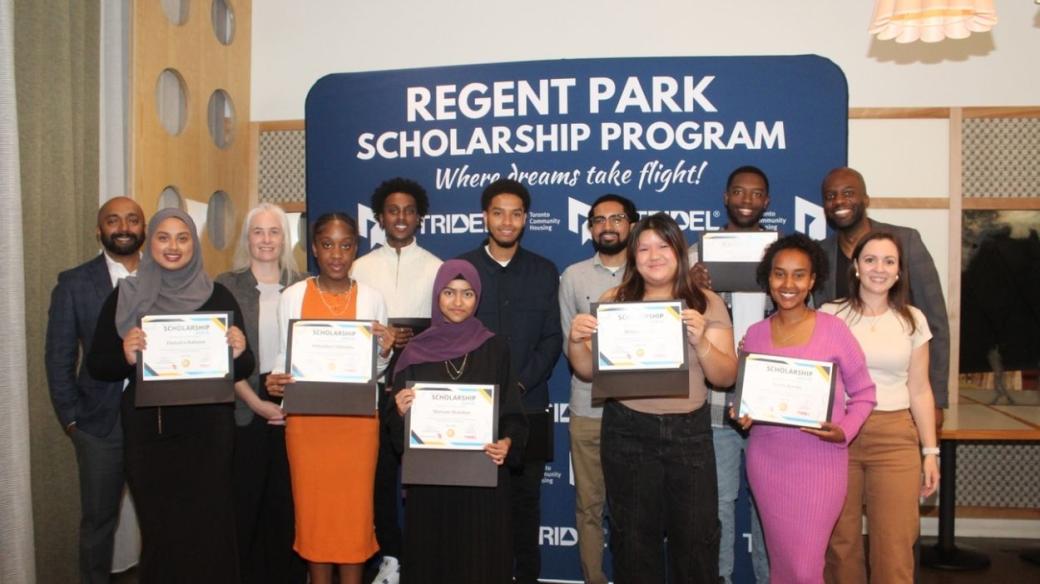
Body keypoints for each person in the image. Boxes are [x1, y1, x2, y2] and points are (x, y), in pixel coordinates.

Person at [567, 212, 737, 584]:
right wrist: (576, 341)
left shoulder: (705, 303)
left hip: (689, 434)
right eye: (643, 247)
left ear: (678, 251)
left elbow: (725, 376)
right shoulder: (615, 300)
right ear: (633, 255)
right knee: (632, 540)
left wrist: (701, 341)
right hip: (627, 431)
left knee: (695, 540)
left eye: (663, 245)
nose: (653, 255)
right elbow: (587, 370)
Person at [87, 208, 255, 583]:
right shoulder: (126, 296)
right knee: (161, 530)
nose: (173, 246)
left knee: (210, 527)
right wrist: (125, 354)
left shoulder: (218, 295)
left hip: (208, 433)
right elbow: (98, 366)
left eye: (183, 238)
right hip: (151, 434)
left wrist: (240, 350)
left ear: (193, 244)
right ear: (152, 242)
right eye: (164, 237)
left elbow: (244, 370)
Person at [734, 233, 876, 583]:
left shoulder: (834, 330)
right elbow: (746, 401)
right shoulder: (754, 334)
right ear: (768, 279)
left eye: (799, 275)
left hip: (820, 463)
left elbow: (865, 394)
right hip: (767, 463)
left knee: (805, 567)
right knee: (782, 565)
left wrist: (844, 430)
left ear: (812, 280)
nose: (788, 283)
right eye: (779, 273)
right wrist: (742, 413)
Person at [265, 212, 394, 584]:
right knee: (314, 516)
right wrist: (276, 381)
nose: (336, 254)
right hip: (308, 427)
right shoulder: (292, 297)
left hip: (356, 427)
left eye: (345, 245)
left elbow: (377, 371)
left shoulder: (372, 298)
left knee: (353, 517)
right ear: (314, 249)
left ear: (356, 248)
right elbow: (282, 358)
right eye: (327, 244)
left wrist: (384, 352)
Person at [390, 259, 529, 584]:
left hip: (481, 481)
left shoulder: (495, 347)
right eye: (449, 292)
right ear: (437, 296)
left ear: (477, 297)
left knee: (479, 564)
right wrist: (398, 411)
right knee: (431, 563)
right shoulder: (413, 352)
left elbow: (512, 412)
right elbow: (395, 432)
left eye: (467, 294)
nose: (457, 301)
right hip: (430, 484)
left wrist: (507, 442)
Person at [457, 178, 563, 584]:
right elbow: (451, 334)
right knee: (477, 507)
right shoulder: (462, 270)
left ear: (525, 219)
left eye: (516, 213)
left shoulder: (543, 271)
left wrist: (519, 384)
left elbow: (552, 338)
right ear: (485, 216)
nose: (507, 221)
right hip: (472, 409)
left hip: (529, 408)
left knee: (525, 505)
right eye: (498, 212)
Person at [822, 231, 940, 583]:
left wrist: (930, 451)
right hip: (839, 437)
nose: (879, 268)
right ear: (856, 266)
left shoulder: (912, 319)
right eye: (870, 259)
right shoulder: (830, 315)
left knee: (895, 545)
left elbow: (920, 390)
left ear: (899, 271)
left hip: (895, 437)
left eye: (889, 261)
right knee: (840, 544)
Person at [45, 196, 144, 584]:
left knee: (162, 519)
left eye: (132, 220)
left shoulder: (167, 276)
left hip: (156, 421)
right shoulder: (74, 283)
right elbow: (59, 358)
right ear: (99, 230)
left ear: (143, 229)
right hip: (98, 426)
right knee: (98, 524)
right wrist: (71, 419)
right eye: (113, 220)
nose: (123, 227)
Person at [350, 177, 442, 584]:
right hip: (375, 386)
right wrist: (385, 336)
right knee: (381, 477)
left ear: (419, 216)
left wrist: (415, 337)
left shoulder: (438, 267)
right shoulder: (360, 267)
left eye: (408, 210)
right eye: (392, 210)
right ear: (380, 217)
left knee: (425, 474)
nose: (401, 217)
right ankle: (389, 556)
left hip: (423, 387)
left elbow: (447, 327)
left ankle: (427, 555)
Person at [813, 167, 949, 437]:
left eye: (848, 193)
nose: (839, 201)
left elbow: (936, 324)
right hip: (843, 407)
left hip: (900, 403)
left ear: (866, 199)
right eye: (831, 196)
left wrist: (937, 400)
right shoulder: (821, 254)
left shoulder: (905, 242)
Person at [215, 203, 306, 583]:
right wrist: (256, 403)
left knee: (286, 506)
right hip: (244, 408)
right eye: (258, 231)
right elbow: (219, 358)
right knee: (245, 504)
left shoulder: (304, 284)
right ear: (247, 238)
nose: (266, 240)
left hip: (295, 408)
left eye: (274, 231)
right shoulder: (225, 285)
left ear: (284, 239)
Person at [691, 165, 772, 583]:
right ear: (725, 197)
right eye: (738, 191)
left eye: (755, 194)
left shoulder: (782, 257)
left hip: (771, 406)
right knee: (719, 505)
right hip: (715, 406)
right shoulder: (693, 256)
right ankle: (718, 578)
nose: (746, 200)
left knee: (768, 507)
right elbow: (661, 313)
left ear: (767, 202)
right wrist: (688, 285)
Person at [558, 193, 638, 584]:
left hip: (641, 411)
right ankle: (594, 578)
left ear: (632, 225)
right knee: (589, 506)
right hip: (589, 409)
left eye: (617, 218)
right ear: (589, 228)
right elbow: (570, 345)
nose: (608, 226)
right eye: (599, 219)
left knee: (634, 508)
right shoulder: (573, 277)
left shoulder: (650, 271)